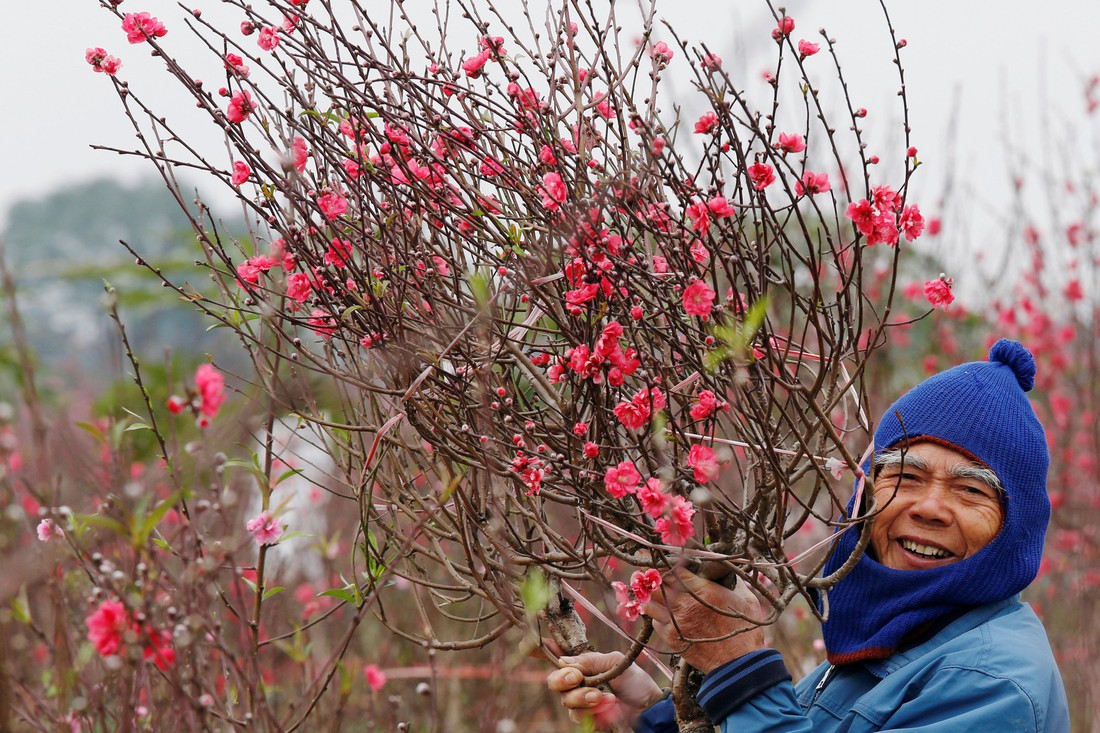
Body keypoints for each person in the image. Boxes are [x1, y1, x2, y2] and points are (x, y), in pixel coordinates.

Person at [547, 339, 1071, 731]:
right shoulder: (896, 639)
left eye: (970, 491)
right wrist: (657, 709)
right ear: (865, 496)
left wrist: (739, 666)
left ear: (1015, 525)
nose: (929, 508)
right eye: (905, 477)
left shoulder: (993, 684)